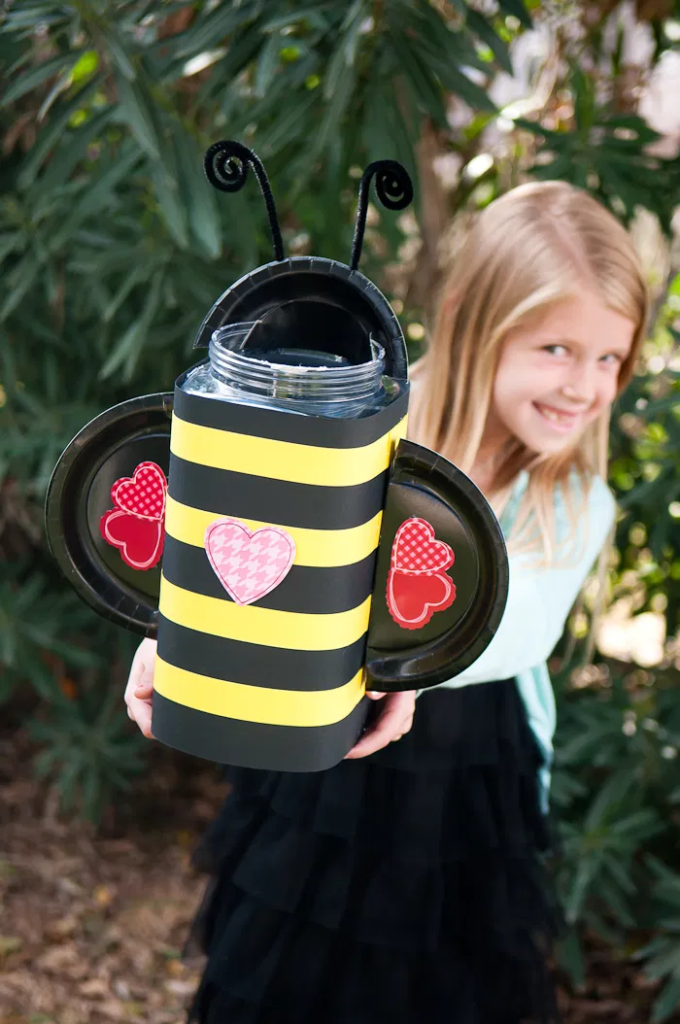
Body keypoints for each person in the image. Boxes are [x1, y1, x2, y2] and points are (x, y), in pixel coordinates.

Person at [125, 180, 647, 1024]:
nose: (584, 386)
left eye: (609, 359)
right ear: (478, 326)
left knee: (441, 987)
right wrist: (177, 641)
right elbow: (246, 542)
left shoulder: (572, 503)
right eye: (556, 348)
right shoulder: (361, 434)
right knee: (292, 970)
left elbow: (512, 629)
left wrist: (405, 665)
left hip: (466, 777)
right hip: (321, 758)